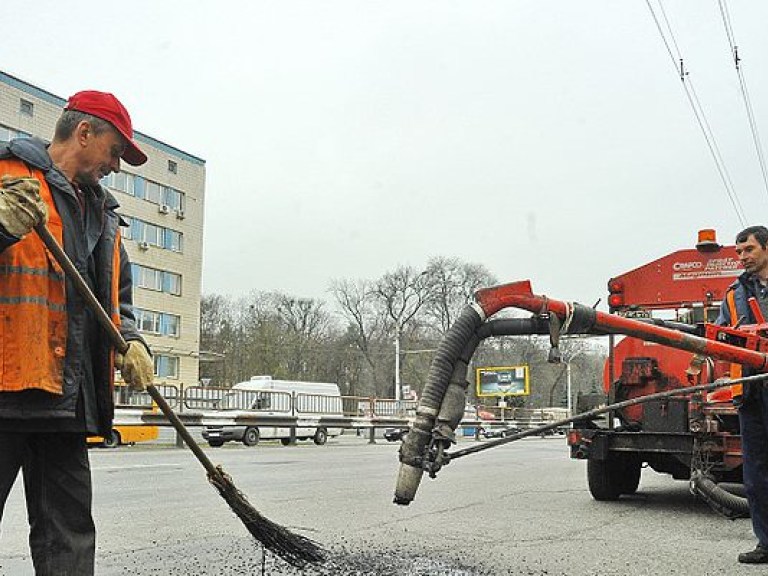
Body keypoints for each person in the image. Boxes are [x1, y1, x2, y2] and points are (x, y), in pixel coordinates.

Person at [0, 91, 155, 575]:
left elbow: (116, 303)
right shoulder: (8, 182)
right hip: (5, 389)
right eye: (115, 150)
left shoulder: (105, 217)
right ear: (84, 132)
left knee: (69, 536)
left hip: (66, 398)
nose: (116, 165)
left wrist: (132, 342)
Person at [717, 225, 768, 564]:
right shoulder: (734, 293)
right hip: (751, 392)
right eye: (738, 252)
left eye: (748, 250)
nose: (742, 257)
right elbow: (721, 336)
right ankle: (766, 543)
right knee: (756, 474)